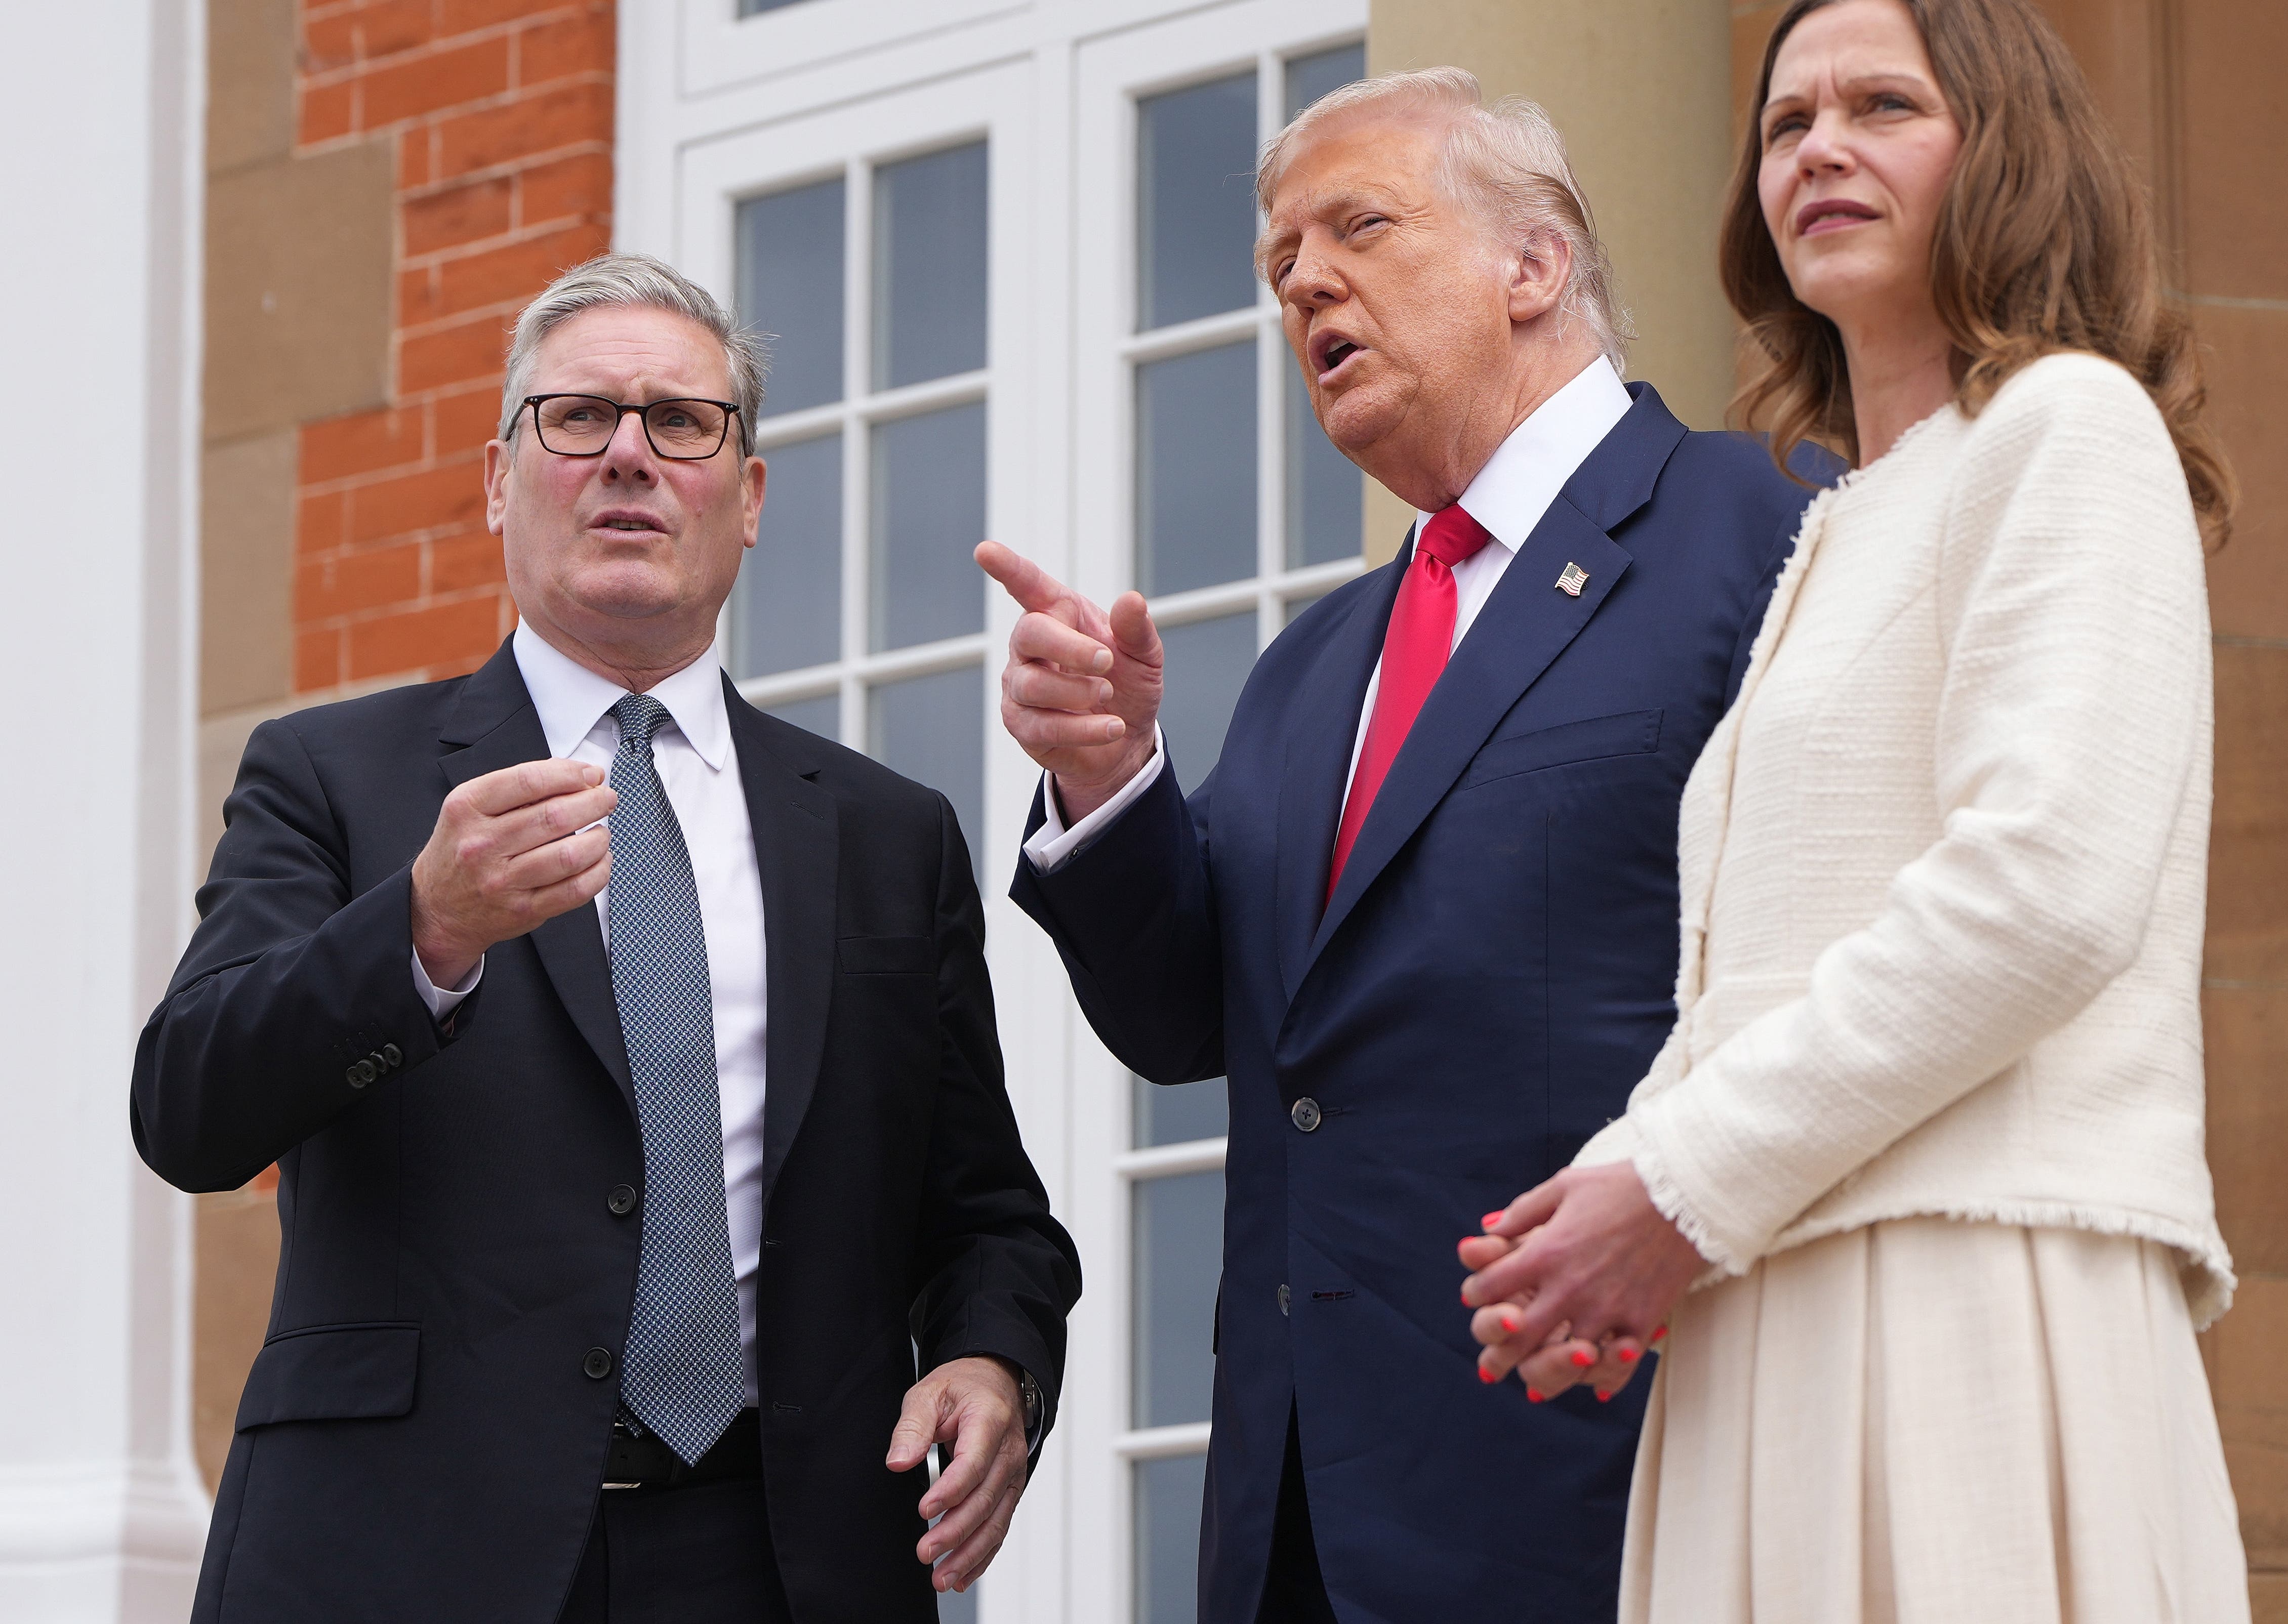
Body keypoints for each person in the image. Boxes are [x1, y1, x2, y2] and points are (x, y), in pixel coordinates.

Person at [978, 70, 1831, 1624]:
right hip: (1298, 1516)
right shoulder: (1320, 664)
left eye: (1358, 226)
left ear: (1535, 264)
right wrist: (1108, 783)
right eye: (1277, 263)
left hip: (1620, 1481)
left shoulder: (1765, 526)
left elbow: (1847, 975)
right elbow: (1202, 1022)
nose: (1304, 278)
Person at [133, 255, 1080, 1624]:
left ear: (748, 498)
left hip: (782, 1560)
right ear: (498, 483)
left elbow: (987, 1213)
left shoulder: (886, 833)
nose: (629, 452)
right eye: (576, 417)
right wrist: (421, 927)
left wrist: (994, 1358)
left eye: (681, 421)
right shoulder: (336, 776)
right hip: (411, 1550)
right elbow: (188, 1108)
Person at [1459, 1, 2250, 1618]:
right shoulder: (1842, 522)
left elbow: (2046, 889)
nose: (1819, 145)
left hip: (1969, 1283)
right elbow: (1769, 961)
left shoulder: (2067, 427)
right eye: (1786, 122)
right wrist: (1610, 1194)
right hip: (1783, 1289)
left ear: (2005, 152)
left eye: (1882, 105)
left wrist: (1672, 1185)